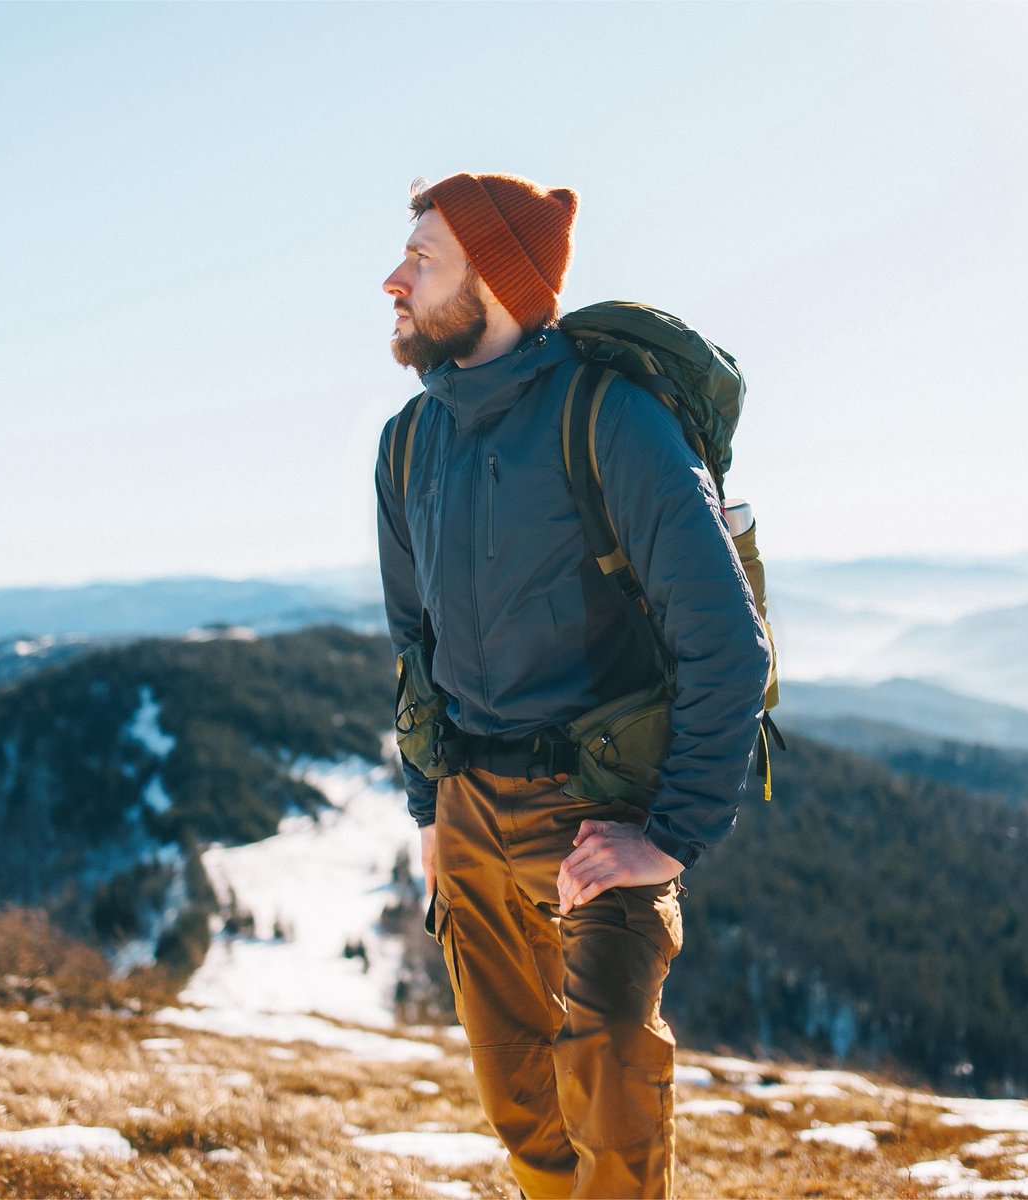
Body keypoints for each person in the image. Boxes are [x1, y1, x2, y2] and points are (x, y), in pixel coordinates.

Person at [375, 172, 771, 1200]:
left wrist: (669, 834)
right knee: (522, 1108)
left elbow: (728, 640)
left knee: (609, 1084)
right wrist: (431, 810)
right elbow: (413, 643)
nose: (394, 281)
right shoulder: (407, 442)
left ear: (497, 281)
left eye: (423, 259)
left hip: (598, 810)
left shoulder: (614, 419)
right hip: (468, 813)